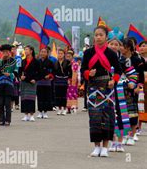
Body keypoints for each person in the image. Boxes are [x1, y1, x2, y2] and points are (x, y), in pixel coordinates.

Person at [81, 26, 122, 157]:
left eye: (101, 35)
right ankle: (96, 146)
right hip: (93, 88)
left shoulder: (111, 53)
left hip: (107, 88)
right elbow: (82, 71)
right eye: (96, 35)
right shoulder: (88, 53)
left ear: (106, 37)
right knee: (94, 117)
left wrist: (113, 80)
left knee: (107, 115)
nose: (98, 37)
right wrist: (88, 73)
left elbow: (119, 70)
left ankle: (105, 147)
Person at [119, 37, 144, 146]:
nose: (120, 48)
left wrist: (139, 87)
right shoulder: (119, 59)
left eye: (121, 46)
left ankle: (132, 134)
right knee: (123, 112)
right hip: (121, 88)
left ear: (128, 47)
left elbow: (141, 75)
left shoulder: (136, 59)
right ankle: (125, 134)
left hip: (133, 89)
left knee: (132, 112)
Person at [0, 44, 18, 126]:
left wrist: (10, 74)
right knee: (0, 103)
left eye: (7, 51)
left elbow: (16, 72)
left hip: (9, 84)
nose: (5, 53)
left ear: (9, 52)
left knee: (7, 103)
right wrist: (2, 60)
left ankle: (8, 120)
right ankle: (1, 120)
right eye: (3, 52)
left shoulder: (14, 61)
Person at [20, 45, 40, 122]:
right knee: (24, 98)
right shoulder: (23, 61)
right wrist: (20, 76)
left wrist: (35, 79)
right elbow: (19, 71)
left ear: (31, 51)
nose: (25, 51)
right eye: (25, 49)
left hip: (32, 82)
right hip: (24, 82)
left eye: (27, 49)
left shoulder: (36, 61)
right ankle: (25, 114)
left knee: (31, 98)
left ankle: (31, 115)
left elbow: (39, 73)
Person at [36, 47, 54, 119]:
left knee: (46, 97)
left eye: (44, 52)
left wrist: (49, 75)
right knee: (40, 97)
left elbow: (53, 71)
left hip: (47, 82)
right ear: (40, 53)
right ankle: (40, 112)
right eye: (42, 52)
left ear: (47, 53)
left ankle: (45, 112)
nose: (43, 53)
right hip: (39, 82)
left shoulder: (50, 62)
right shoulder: (37, 62)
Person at [53, 48, 72, 115]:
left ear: (64, 54)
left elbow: (70, 72)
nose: (60, 55)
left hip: (65, 79)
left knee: (64, 95)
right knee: (58, 94)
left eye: (61, 53)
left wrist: (70, 79)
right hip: (57, 79)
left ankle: (64, 108)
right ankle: (59, 108)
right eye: (59, 53)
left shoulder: (67, 62)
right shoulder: (55, 62)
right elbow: (53, 72)